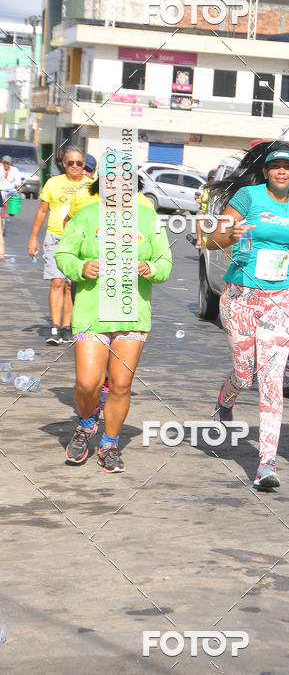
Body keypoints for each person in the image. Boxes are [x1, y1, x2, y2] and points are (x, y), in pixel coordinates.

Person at [206, 141, 289, 489]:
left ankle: (266, 464)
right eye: (275, 166)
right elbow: (212, 240)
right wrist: (231, 234)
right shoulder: (248, 197)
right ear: (267, 171)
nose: (282, 171)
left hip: (278, 300)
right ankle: (226, 397)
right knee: (245, 375)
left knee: (271, 381)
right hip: (240, 296)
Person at [54, 160, 173, 472]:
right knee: (87, 383)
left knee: (120, 384)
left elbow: (165, 262)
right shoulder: (86, 216)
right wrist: (80, 267)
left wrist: (151, 268)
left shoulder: (148, 219)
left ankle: (109, 445)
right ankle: (86, 423)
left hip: (132, 314)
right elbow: (63, 254)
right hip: (92, 312)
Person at [27, 146, 92, 344]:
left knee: (71, 285)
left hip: (79, 242)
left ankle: (67, 327)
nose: (75, 166)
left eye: (79, 163)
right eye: (70, 162)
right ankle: (55, 327)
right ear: (64, 163)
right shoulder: (53, 183)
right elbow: (41, 212)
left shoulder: (92, 186)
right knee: (57, 281)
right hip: (55, 237)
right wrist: (33, 238)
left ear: (84, 165)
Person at [195, 168, 217, 248]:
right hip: (204, 210)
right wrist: (198, 199)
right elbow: (197, 197)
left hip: (214, 211)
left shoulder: (219, 188)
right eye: (210, 179)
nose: (212, 180)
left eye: (213, 179)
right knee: (199, 218)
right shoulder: (203, 187)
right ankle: (199, 240)